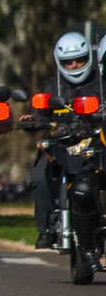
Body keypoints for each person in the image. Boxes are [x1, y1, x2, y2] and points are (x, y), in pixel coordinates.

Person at [23, 32, 103, 271]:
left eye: (79, 59)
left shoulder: (101, 81)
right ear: (60, 62)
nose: (74, 65)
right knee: (38, 178)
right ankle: (46, 228)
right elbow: (36, 112)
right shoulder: (51, 85)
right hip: (60, 146)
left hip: (94, 146)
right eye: (69, 62)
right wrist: (32, 118)